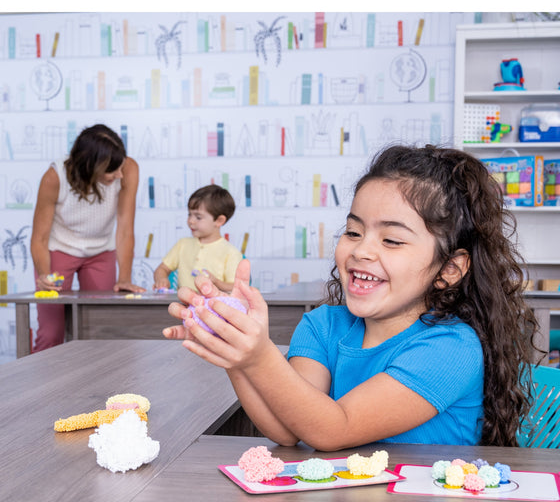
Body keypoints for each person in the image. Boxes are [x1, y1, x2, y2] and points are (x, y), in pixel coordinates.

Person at [163, 144, 540, 450]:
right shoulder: (323, 325)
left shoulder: (450, 347)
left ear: (449, 270)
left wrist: (259, 354)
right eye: (354, 232)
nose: (361, 251)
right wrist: (235, 351)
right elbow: (287, 429)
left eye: (391, 240)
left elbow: (332, 429)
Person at [30, 123, 145, 352]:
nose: (119, 174)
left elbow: (124, 229)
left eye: (120, 166)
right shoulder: (54, 178)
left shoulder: (128, 169)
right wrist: (44, 274)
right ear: (89, 167)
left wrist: (123, 278)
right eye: (112, 170)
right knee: (51, 333)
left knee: (102, 329)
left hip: (101, 252)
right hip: (59, 250)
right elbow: (40, 238)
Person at [153, 184, 242, 293]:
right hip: (184, 305)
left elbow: (235, 287)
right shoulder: (183, 244)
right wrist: (161, 279)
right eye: (189, 214)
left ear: (219, 221)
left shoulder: (230, 252)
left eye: (198, 217)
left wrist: (216, 282)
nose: (191, 221)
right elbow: (161, 269)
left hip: (214, 307)